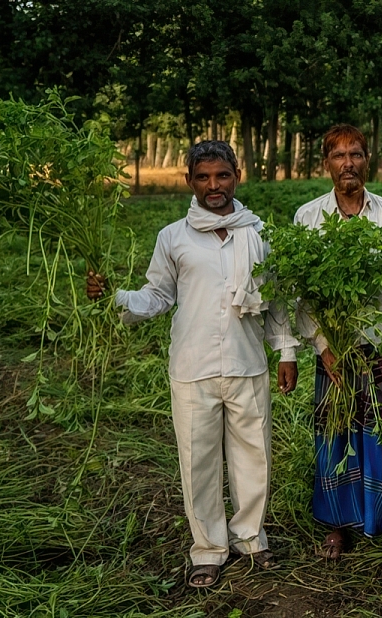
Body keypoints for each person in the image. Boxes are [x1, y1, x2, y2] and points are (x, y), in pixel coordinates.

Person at [84, 141, 298, 589]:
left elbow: (277, 299)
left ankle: (251, 538)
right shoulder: (173, 237)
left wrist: (286, 351)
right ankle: (208, 549)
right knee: (198, 461)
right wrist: (114, 298)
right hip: (192, 365)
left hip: (247, 362)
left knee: (254, 457)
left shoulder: (260, 233)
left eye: (222, 175)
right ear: (190, 182)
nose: (213, 185)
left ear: (237, 176)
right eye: (203, 177)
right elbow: (158, 295)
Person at [293, 125, 382, 559]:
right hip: (336, 350)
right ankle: (338, 524)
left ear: (368, 160)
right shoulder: (308, 217)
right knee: (338, 435)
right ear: (326, 164)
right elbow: (304, 295)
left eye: (356, 154)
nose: (348, 163)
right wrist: (323, 347)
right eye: (339, 155)